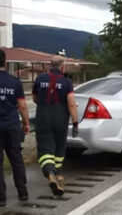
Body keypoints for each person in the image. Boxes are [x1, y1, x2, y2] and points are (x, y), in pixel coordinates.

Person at [32, 55, 78, 196]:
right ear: (62, 67)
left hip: (43, 116)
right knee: (59, 147)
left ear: (49, 65)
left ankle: (50, 173)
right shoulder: (66, 82)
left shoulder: (39, 79)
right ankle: (58, 174)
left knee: (45, 148)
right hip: (60, 118)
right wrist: (75, 123)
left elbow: (34, 98)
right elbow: (71, 103)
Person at [0, 49, 29, 206]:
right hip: (12, 125)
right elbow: (23, 106)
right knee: (16, 159)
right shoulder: (14, 82)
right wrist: (26, 123)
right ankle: (22, 191)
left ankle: (1, 198)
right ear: (5, 62)